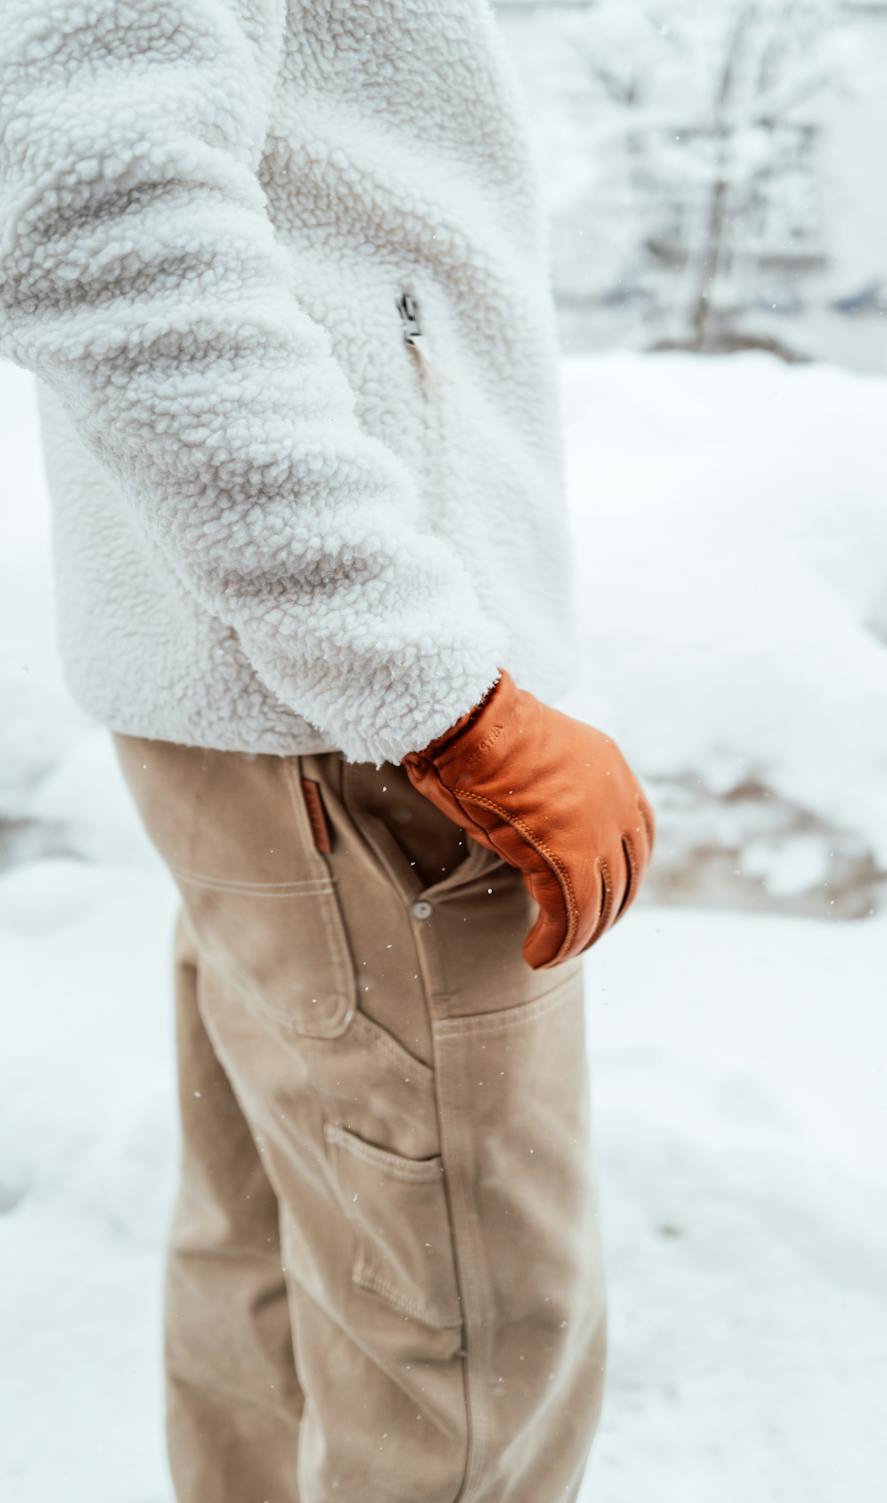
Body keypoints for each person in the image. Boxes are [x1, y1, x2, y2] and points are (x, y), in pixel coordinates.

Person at [0, 2, 654, 1498]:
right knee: (474, 1357)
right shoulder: (402, 701)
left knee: (280, 1292)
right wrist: (434, 690)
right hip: (365, 738)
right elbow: (84, 192)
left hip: (288, 714)